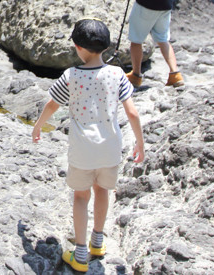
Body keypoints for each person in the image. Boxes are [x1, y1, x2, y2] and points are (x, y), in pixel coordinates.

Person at [32, 19, 145, 273]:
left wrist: (39, 124)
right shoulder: (117, 74)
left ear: (77, 47)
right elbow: (133, 114)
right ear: (105, 47)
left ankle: (80, 253)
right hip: (110, 148)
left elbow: (52, 104)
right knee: (103, 190)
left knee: (81, 197)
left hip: (83, 149)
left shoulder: (71, 76)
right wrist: (139, 142)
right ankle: (97, 241)